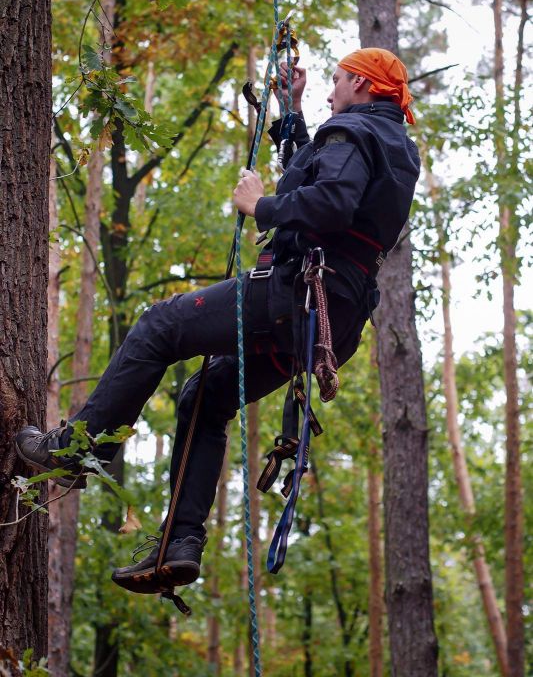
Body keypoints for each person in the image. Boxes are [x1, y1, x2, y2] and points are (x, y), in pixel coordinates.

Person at [16, 47, 420, 594]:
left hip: (296, 292)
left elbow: (327, 204)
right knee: (205, 396)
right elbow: (324, 179)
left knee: (159, 326)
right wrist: (292, 109)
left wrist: (262, 206)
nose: (331, 94)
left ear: (364, 85)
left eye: (337, 82)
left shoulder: (352, 132)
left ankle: (77, 452)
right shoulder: (392, 146)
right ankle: (180, 541)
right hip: (328, 323)